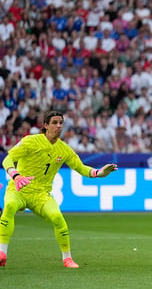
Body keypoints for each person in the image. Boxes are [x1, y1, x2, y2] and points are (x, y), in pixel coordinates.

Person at [0, 110, 118, 268]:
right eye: (54, 123)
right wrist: (16, 175)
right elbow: (8, 159)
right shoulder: (30, 141)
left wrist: (99, 173)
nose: (58, 126)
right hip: (18, 189)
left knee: (57, 217)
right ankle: (2, 253)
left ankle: (67, 259)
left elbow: (81, 168)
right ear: (46, 126)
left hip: (41, 195)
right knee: (9, 207)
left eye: (61, 123)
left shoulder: (64, 149)